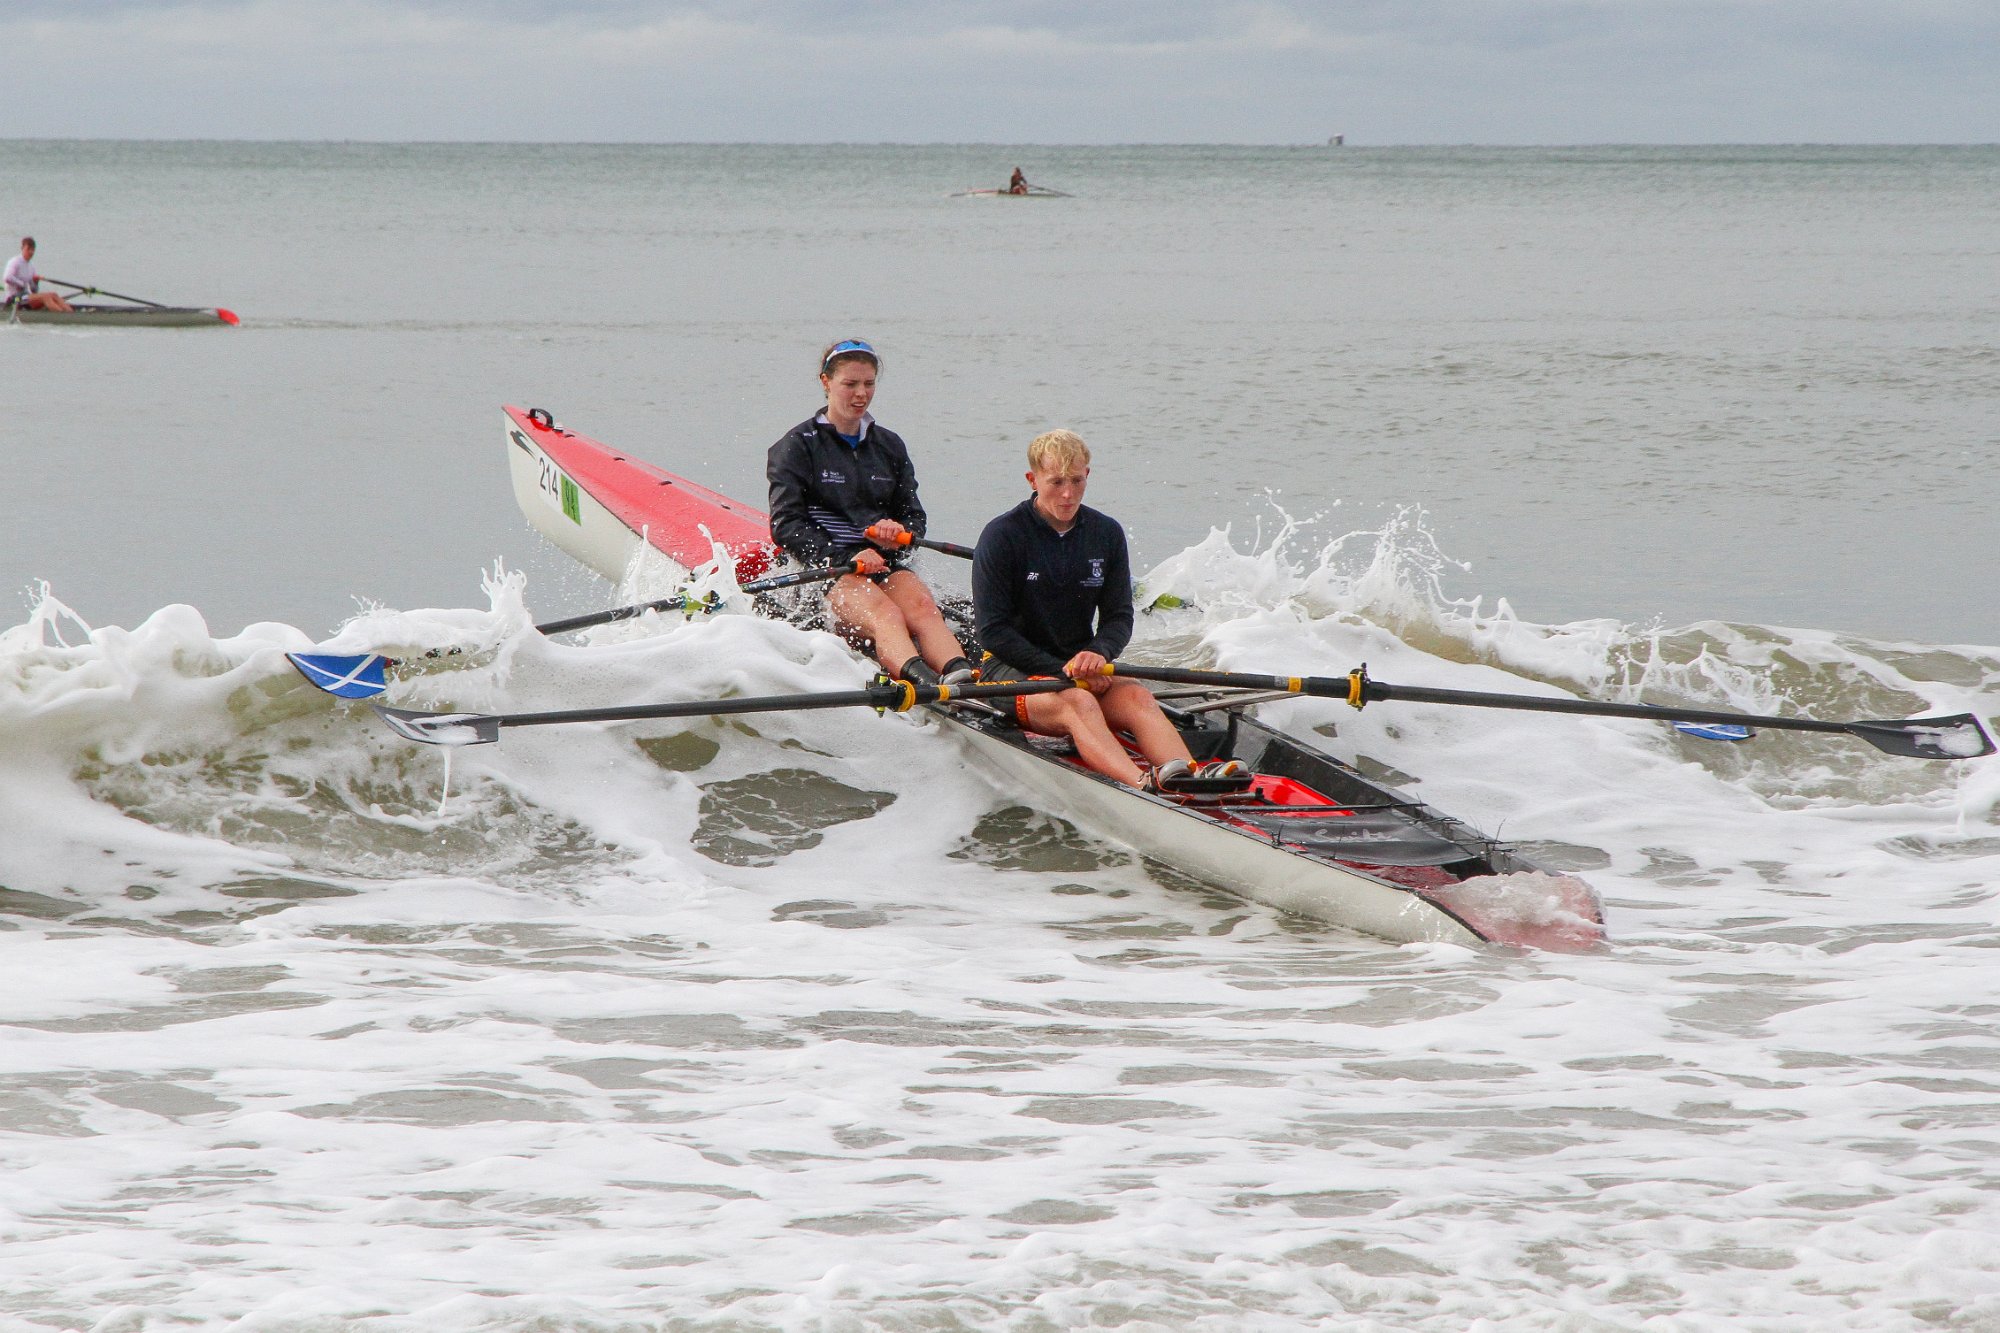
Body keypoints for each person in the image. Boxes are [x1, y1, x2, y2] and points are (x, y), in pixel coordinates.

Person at [972, 429, 1246, 792]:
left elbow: (1118, 617)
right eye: (1055, 482)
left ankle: (1189, 775)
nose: (1067, 494)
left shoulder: (1106, 533)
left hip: (1078, 667)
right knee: (1079, 702)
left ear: (1088, 475)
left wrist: (1099, 653)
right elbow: (992, 631)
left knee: (1137, 696)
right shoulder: (1001, 535)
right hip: (1009, 671)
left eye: (1076, 480)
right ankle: (1142, 785)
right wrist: (1064, 671)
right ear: (1032, 479)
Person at [768, 339, 977, 685]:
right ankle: (923, 684)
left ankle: (962, 678)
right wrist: (846, 555)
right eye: (850, 384)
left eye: (868, 384)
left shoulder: (889, 445)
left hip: (883, 564)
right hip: (831, 571)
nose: (861, 394)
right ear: (826, 382)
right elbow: (786, 525)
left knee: (924, 609)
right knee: (888, 615)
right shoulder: (796, 446)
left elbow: (914, 518)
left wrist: (899, 534)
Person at [3, 238, 75, 313]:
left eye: (33, 250)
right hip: (15, 299)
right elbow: (7, 278)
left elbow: (34, 290)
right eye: (28, 249)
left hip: (26, 297)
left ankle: (71, 314)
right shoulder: (14, 262)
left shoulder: (31, 267)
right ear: (22, 248)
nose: (31, 252)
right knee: (46, 297)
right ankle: (62, 315)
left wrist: (35, 282)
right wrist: (22, 284)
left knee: (53, 295)